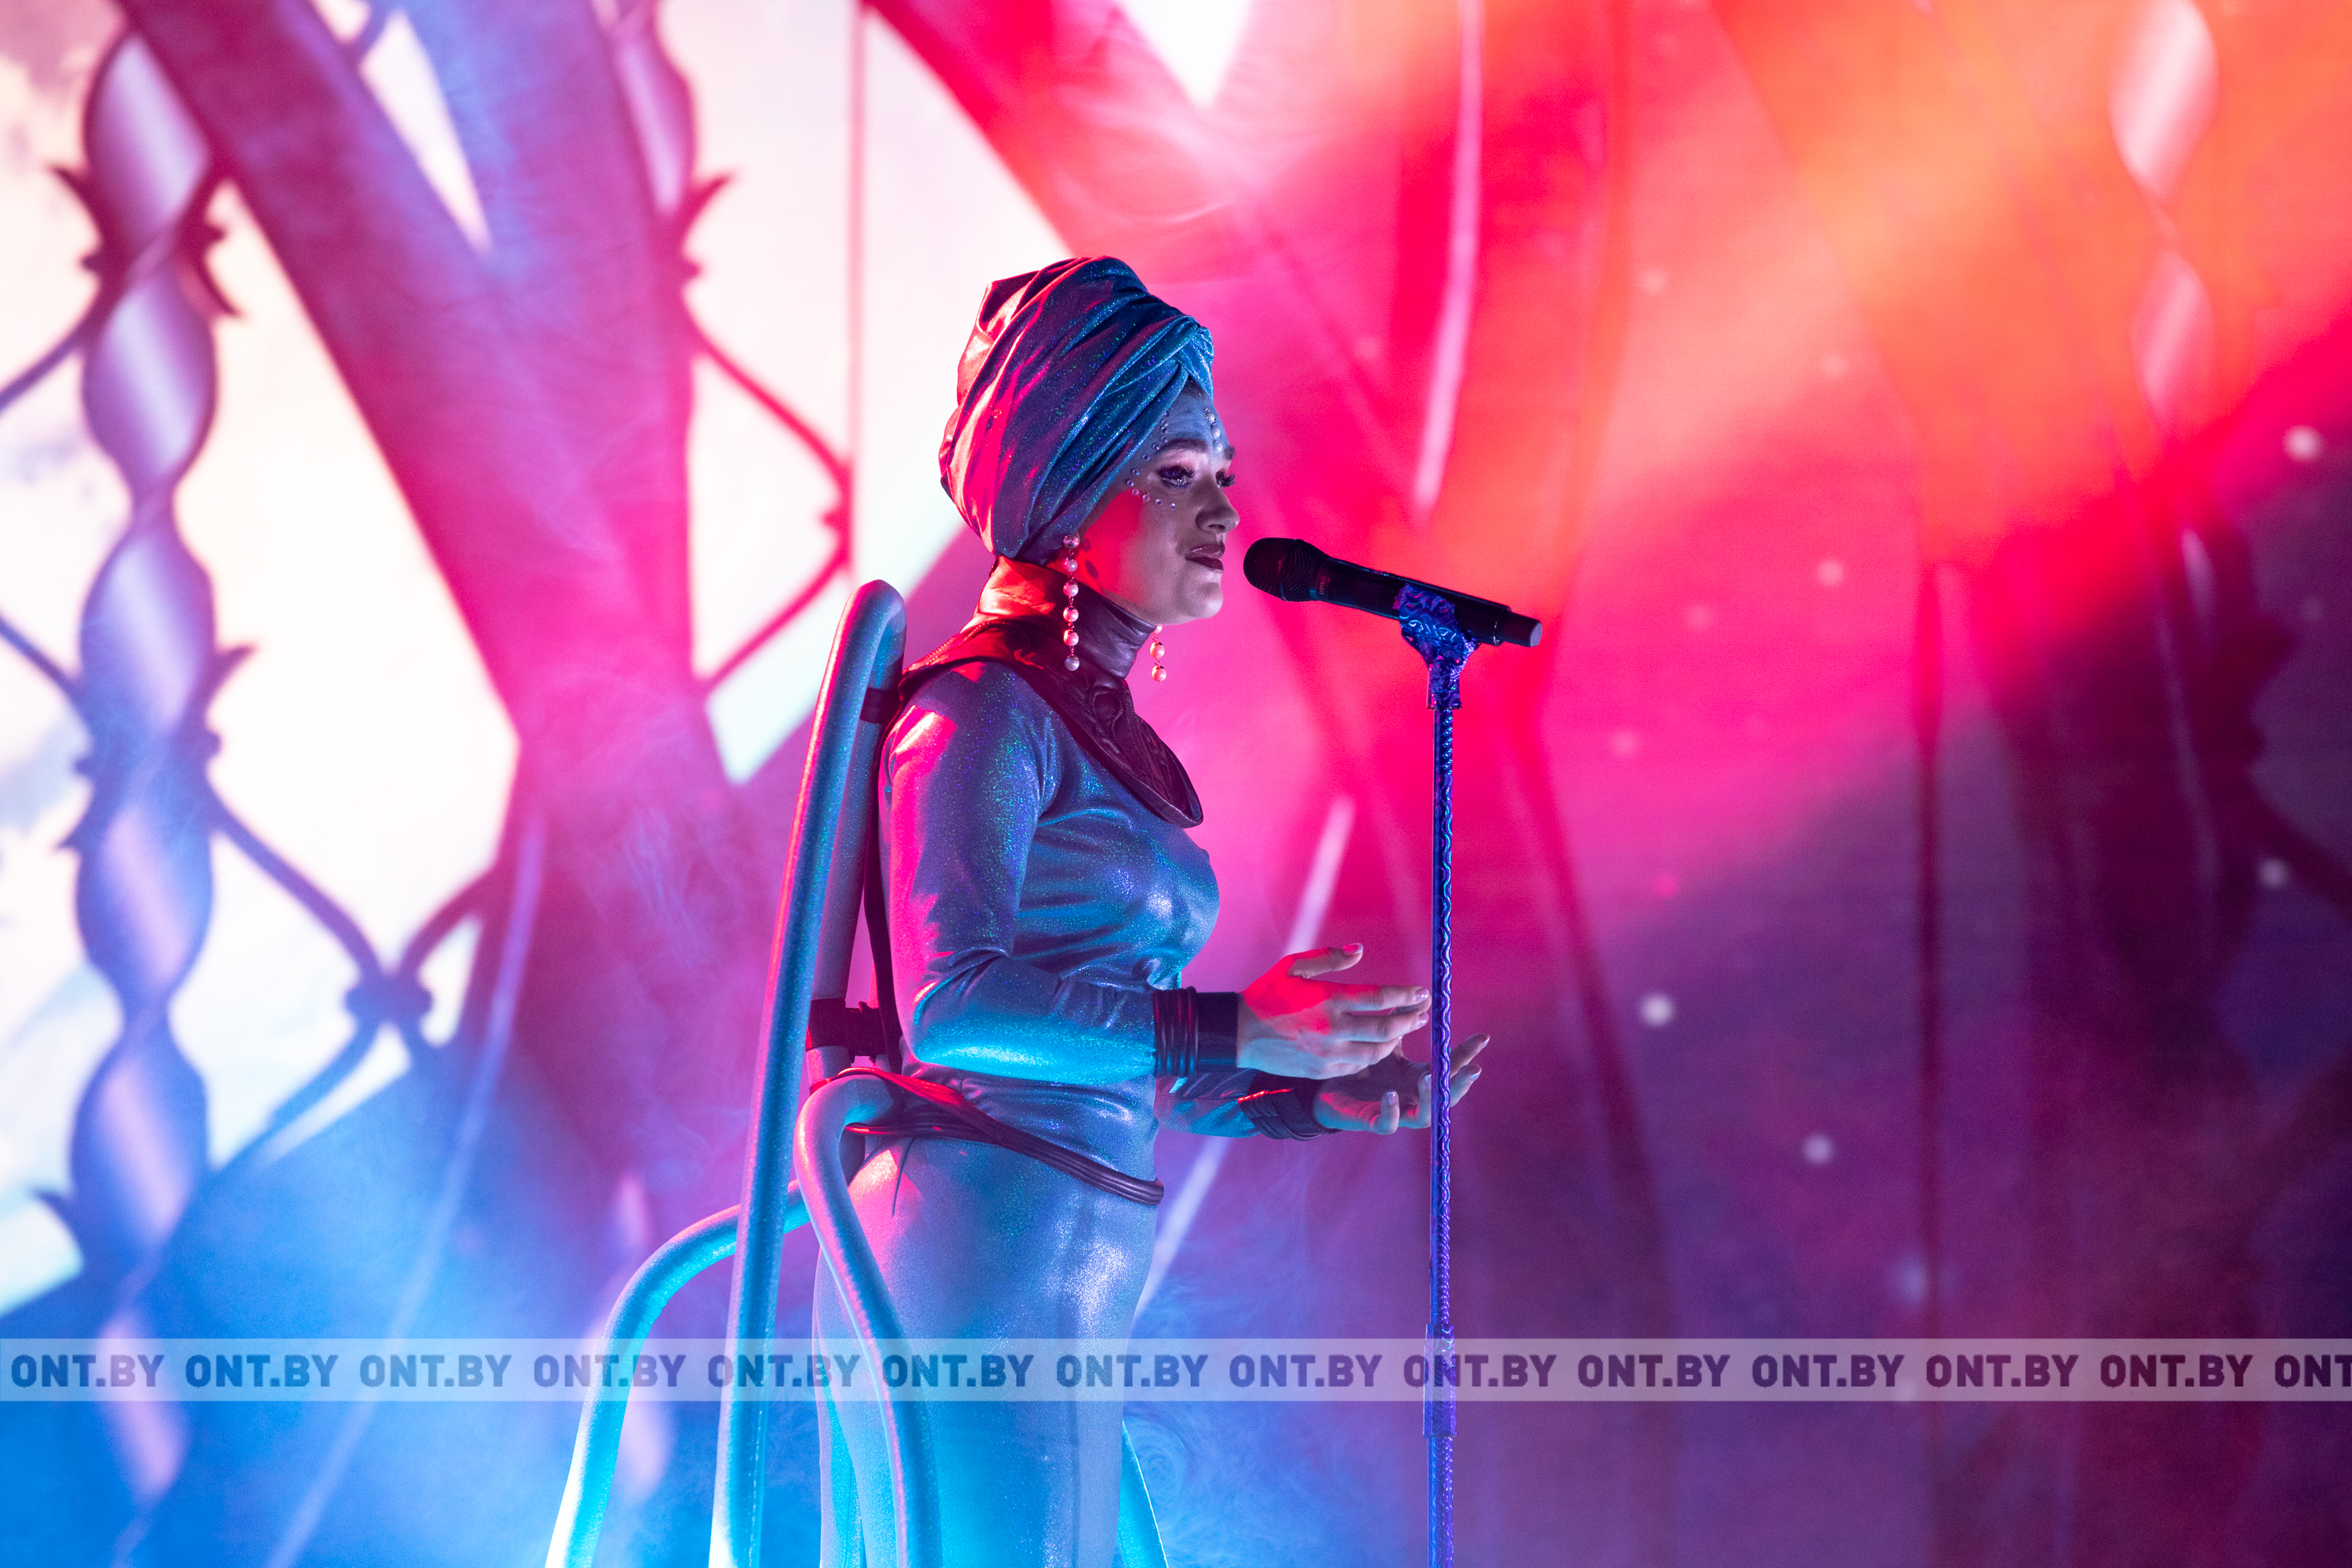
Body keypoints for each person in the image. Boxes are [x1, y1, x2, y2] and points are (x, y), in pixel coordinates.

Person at [814, 256, 1487, 1566]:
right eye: (1178, 472)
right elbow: (951, 1010)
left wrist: (1302, 1092)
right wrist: (1235, 1028)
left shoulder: (1064, 720)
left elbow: (1103, 1053)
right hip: (979, 1249)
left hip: (1054, 1257)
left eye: (1224, 472)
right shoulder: (979, 713)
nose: (1224, 507)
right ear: (1068, 484)